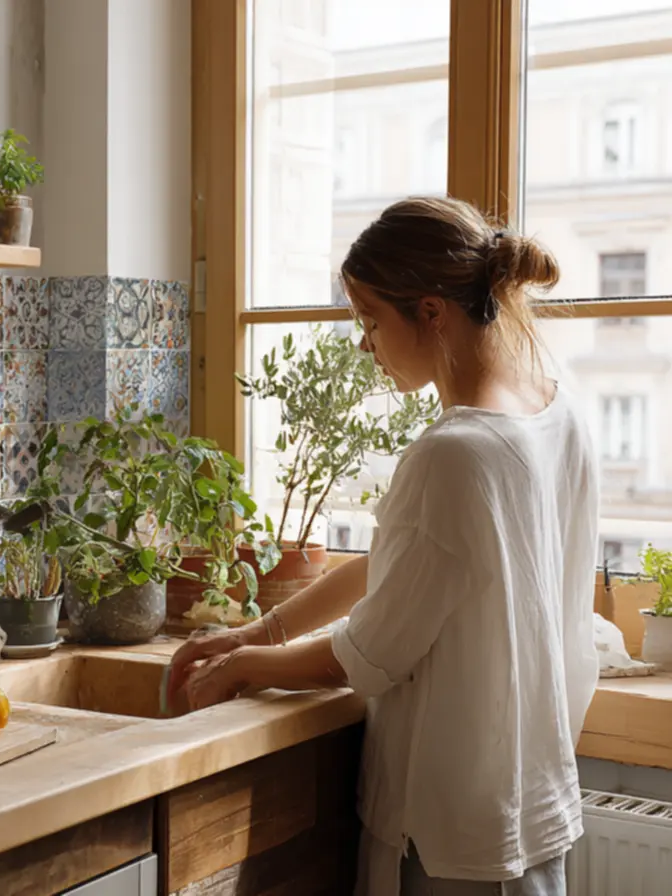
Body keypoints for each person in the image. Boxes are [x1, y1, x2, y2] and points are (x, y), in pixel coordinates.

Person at [168, 196, 599, 896]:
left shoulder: (455, 453)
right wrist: (262, 628)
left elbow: (369, 654)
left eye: (371, 320)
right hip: (530, 801)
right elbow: (417, 560)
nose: (365, 345)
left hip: (447, 832)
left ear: (431, 312)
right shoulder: (557, 409)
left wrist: (245, 665)